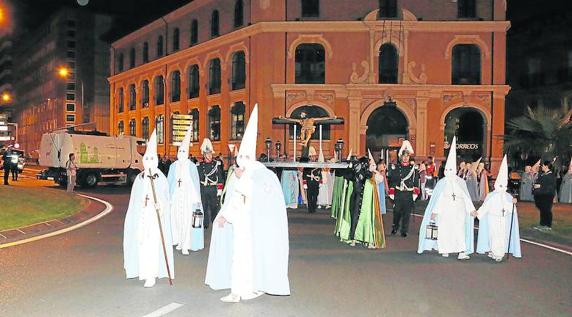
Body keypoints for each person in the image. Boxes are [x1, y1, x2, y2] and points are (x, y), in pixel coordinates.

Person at [205, 105, 290, 303]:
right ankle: (237, 290)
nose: (242, 160)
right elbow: (235, 198)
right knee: (238, 256)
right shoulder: (238, 174)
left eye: (245, 157)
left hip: (255, 226)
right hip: (240, 224)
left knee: (251, 257)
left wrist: (243, 179)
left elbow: (262, 197)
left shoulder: (262, 175)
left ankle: (252, 287)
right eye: (240, 157)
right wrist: (225, 216)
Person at [123, 129, 174, 288]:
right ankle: (143, 271)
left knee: (152, 244)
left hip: (154, 218)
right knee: (142, 243)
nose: (150, 160)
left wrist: (162, 205)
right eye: (147, 158)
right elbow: (134, 199)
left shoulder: (161, 178)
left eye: (152, 158)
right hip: (143, 217)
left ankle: (152, 274)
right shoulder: (140, 178)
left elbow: (166, 198)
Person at [417, 136, 476, 260]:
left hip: (459, 212)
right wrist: (434, 212)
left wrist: (471, 209)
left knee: (459, 231)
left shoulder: (460, 182)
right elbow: (438, 199)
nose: (449, 171)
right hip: (445, 212)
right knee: (444, 231)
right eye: (448, 169)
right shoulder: (442, 183)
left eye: (451, 169)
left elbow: (466, 197)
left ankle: (461, 251)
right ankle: (444, 249)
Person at [476, 155, 521, 262]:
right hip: (493, 218)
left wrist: (513, 203)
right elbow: (485, 207)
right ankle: (494, 251)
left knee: (502, 236)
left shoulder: (508, 196)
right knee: (493, 235)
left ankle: (499, 253)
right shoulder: (491, 196)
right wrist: (478, 213)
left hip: (503, 219)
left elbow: (511, 209)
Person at [167, 126, 203, 255]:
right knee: (176, 218)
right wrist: (169, 197)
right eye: (180, 151)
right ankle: (178, 240)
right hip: (176, 196)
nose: (181, 153)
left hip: (188, 197)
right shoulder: (173, 166)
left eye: (184, 151)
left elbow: (195, 183)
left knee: (188, 220)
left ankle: (186, 243)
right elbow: (169, 182)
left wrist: (196, 200)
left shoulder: (192, 166)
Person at [387, 140, 419, 237]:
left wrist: (415, 193)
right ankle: (395, 227)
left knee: (406, 213)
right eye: (404, 156)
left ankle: (404, 230)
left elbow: (415, 181)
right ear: (401, 157)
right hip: (399, 193)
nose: (405, 158)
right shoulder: (396, 168)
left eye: (407, 156)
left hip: (408, 194)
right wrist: (392, 191)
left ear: (409, 157)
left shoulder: (413, 169)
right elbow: (392, 180)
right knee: (397, 212)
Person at [197, 138, 225, 229]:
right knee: (204, 206)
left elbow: (220, 178)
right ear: (204, 155)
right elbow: (198, 179)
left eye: (210, 153)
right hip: (204, 189)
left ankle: (214, 221)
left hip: (213, 189)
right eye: (207, 153)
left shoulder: (217, 164)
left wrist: (219, 191)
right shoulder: (199, 165)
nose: (208, 155)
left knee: (214, 207)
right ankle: (205, 224)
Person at [532, 161, 557, 231]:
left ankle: (548, 225)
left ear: (546, 166)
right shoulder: (543, 174)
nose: (541, 167)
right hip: (540, 195)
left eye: (542, 165)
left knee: (546, 210)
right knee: (542, 210)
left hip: (547, 195)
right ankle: (542, 224)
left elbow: (551, 187)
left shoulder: (551, 175)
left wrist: (540, 186)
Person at [303, 146, 321, 213]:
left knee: (315, 196)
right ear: (309, 157)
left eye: (314, 156)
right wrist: (304, 183)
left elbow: (320, 174)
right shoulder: (307, 165)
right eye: (311, 157)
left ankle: (314, 208)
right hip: (309, 182)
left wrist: (320, 181)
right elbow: (304, 174)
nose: (313, 158)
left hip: (316, 182)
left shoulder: (318, 165)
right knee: (309, 197)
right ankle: (310, 209)